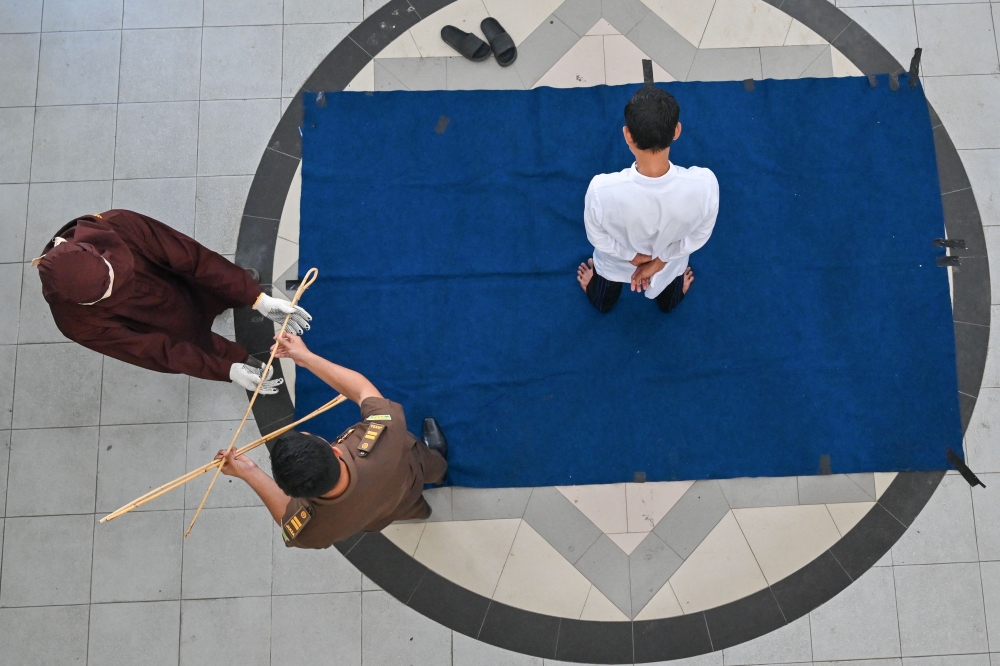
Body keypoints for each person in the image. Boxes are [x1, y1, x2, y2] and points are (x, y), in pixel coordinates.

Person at [33, 209, 311, 393]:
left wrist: (255, 296)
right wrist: (226, 370)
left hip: (181, 280)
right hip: (165, 326)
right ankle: (240, 363)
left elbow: (192, 258)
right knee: (197, 347)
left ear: (99, 252)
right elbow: (153, 351)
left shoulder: (119, 224)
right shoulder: (75, 323)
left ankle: (235, 291)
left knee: (213, 279)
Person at [215, 333, 449, 549]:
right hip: (409, 472)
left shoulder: (310, 531)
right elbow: (361, 390)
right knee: (429, 464)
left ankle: (422, 511)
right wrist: (306, 358)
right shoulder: (384, 437)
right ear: (335, 452)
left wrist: (249, 472)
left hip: (377, 515)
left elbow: (286, 518)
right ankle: (439, 472)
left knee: (407, 508)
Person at [576, 85, 719, 313]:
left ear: (627, 135)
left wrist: (632, 257)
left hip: (616, 263)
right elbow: (699, 235)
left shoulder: (600, 190)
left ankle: (600, 298)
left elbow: (596, 237)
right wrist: (660, 262)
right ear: (677, 131)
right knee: (670, 294)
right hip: (670, 264)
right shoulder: (705, 185)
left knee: (603, 297)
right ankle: (671, 298)